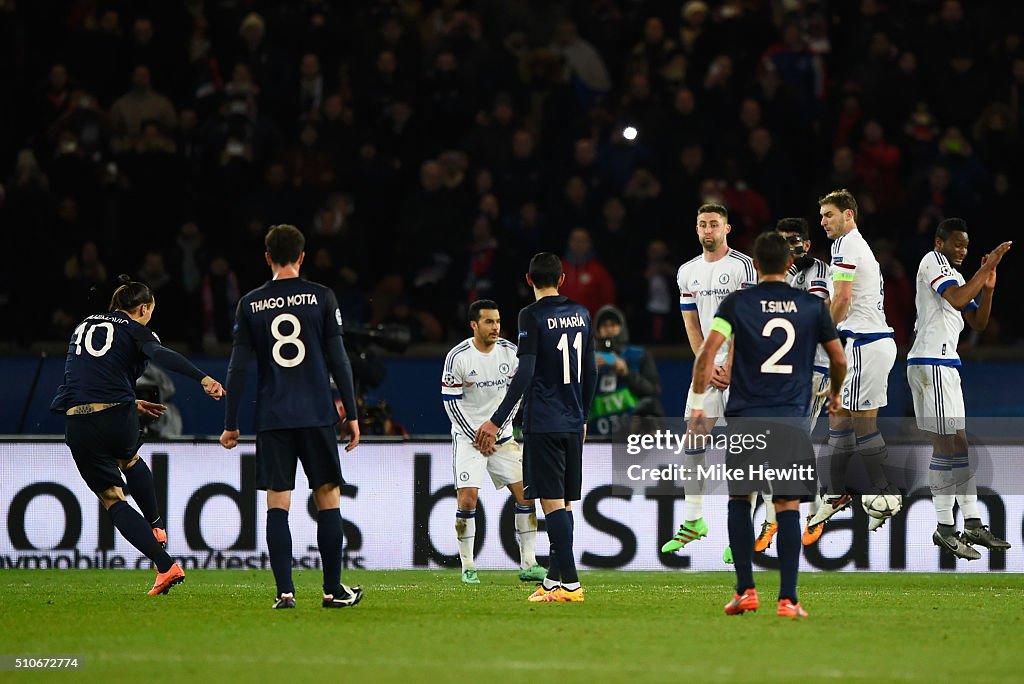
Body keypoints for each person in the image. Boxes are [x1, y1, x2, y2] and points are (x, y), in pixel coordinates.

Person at [688, 232, 846, 618]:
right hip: (791, 418)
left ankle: (745, 591)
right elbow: (838, 359)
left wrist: (696, 406)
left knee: (740, 500)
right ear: (787, 265)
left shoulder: (738, 302)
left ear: (755, 265)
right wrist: (837, 394)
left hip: (746, 416)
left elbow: (707, 353)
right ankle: (788, 599)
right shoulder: (811, 306)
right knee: (788, 504)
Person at [50, 275, 225, 596]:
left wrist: (128, 398)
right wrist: (201, 377)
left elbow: (91, 373)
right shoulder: (136, 329)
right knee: (129, 459)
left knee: (112, 499)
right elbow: (160, 354)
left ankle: (165, 565)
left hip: (79, 419)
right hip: (117, 414)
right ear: (143, 308)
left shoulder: (83, 325)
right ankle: (156, 525)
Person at [219, 224, 362, 610]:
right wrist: (351, 412)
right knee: (328, 498)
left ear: (267, 258)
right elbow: (339, 360)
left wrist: (231, 422)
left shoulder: (250, 303)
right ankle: (332, 590)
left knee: (276, 504)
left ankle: (285, 591)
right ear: (302, 256)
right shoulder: (321, 297)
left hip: (273, 416)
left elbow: (238, 369)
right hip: (316, 414)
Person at [474, 253, 597, 603]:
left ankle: (570, 584)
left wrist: (497, 420)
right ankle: (554, 581)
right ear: (562, 280)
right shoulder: (583, 314)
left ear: (529, 280)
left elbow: (525, 372)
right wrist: (584, 415)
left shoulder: (531, 315)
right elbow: (591, 371)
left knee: (551, 502)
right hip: (573, 421)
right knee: (565, 504)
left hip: (544, 420)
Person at [907, 219, 1012, 559]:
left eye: (965, 245)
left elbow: (978, 322)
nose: (962, 250)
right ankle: (945, 528)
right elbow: (955, 300)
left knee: (958, 445)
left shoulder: (954, 275)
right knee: (946, 446)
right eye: (956, 244)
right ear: (940, 242)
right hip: (932, 363)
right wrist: (986, 269)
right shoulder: (933, 261)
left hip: (943, 365)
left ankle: (972, 523)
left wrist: (989, 286)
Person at [662, 203, 756, 556]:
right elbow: (691, 323)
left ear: (727, 229)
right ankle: (694, 520)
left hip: (742, 367)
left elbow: (748, 320)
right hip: (708, 368)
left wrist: (731, 363)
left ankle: (741, 532)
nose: (708, 230)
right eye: (702, 224)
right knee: (693, 440)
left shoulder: (743, 266)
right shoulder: (687, 272)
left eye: (714, 224)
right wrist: (705, 364)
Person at [808, 189, 898, 534]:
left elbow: (843, 298)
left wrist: (822, 335)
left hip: (863, 344)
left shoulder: (846, 245)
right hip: (868, 343)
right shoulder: (852, 245)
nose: (823, 221)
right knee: (840, 421)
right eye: (821, 216)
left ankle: (885, 494)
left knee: (862, 423)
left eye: (829, 214)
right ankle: (834, 495)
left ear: (849, 215)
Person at [440, 299, 546, 584]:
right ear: (474, 324)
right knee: (467, 499)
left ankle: (529, 563)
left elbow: (518, 397)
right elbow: (451, 403)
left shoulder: (511, 353)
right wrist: (477, 435)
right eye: (488, 321)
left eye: (498, 321)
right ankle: (468, 567)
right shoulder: (458, 357)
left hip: (502, 436)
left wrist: (494, 431)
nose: (495, 327)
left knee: (526, 495)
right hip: (468, 438)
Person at [774, 218, 834, 547]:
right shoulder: (785, 275)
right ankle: (785, 512)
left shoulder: (818, 272)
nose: (788, 247)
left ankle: (812, 510)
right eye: (781, 240)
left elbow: (816, 310)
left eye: (794, 241)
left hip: (814, 364)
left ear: (807, 245)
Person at [590, 304, 663, 437]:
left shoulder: (638, 355)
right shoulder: (588, 359)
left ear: (622, 327)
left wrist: (627, 374)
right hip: (594, 432)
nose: (609, 329)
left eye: (613, 325)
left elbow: (653, 390)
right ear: (597, 330)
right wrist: (588, 374)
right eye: (604, 326)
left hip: (631, 435)